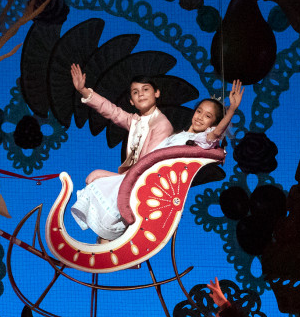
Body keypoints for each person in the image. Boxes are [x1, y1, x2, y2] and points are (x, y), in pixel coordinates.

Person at [70, 81, 242, 241]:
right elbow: (116, 114)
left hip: (151, 181)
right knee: (95, 179)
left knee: (100, 186)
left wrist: (232, 110)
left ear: (212, 124)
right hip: (142, 174)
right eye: (199, 111)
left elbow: (216, 134)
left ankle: (110, 236)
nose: (200, 117)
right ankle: (107, 239)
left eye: (208, 116)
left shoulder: (201, 140)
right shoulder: (182, 135)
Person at [71, 63, 173, 184]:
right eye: (135, 92)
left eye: (145, 89)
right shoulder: (135, 121)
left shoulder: (162, 124)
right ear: (131, 101)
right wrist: (83, 90)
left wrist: (126, 178)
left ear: (157, 93)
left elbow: (150, 162)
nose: (140, 94)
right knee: (93, 177)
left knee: (95, 178)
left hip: (144, 181)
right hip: (129, 177)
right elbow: (111, 111)